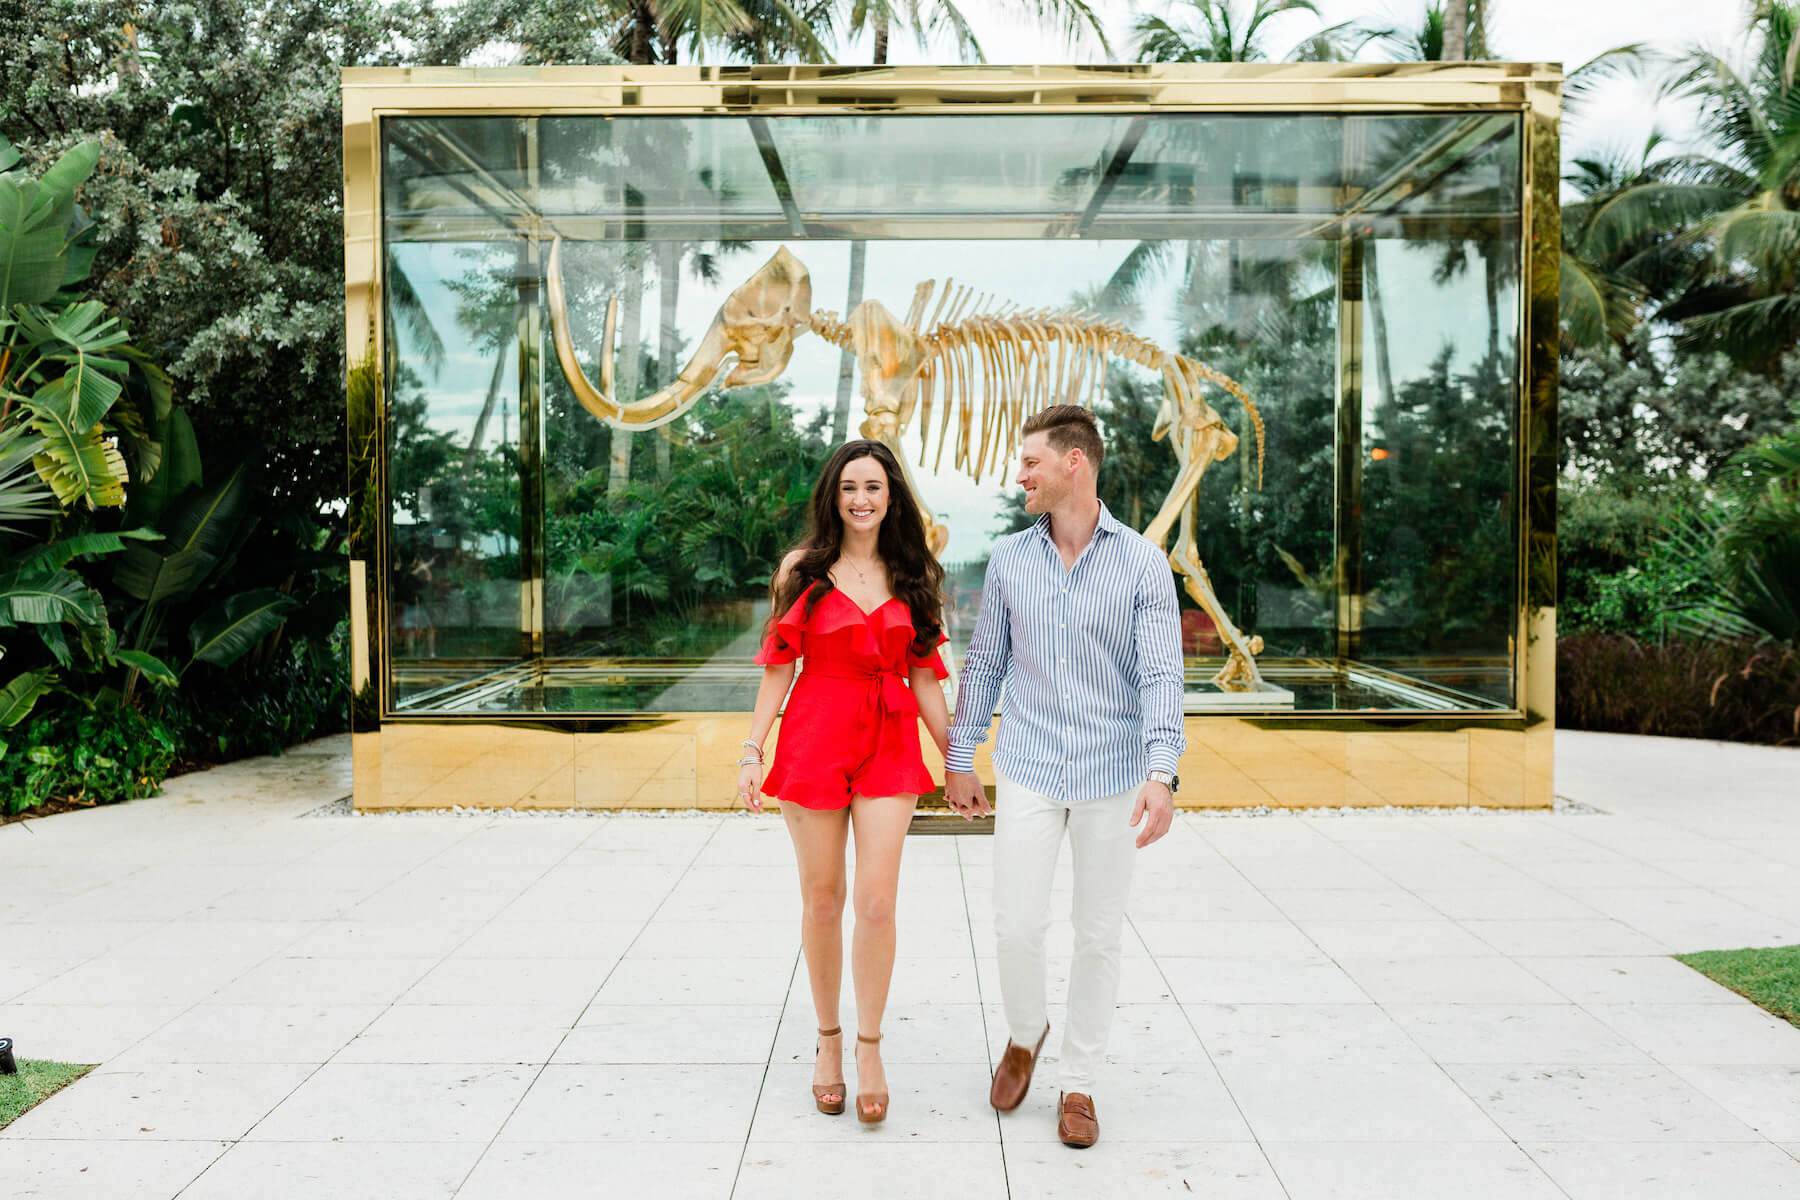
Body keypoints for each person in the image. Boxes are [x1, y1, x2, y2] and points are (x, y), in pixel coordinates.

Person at [942, 404, 1185, 1149]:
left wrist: (1161, 770)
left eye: (1030, 463)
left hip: (1113, 773)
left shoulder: (1142, 562)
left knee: (1099, 933)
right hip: (1031, 766)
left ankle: (1079, 1080)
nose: (1021, 475)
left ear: (1073, 463)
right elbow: (986, 663)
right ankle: (1025, 1033)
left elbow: (1160, 674)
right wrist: (960, 755)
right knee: (1017, 924)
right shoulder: (1012, 558)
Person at [737, 439, 952, 1125]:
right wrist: (751, 750)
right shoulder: (802, 569)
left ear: (893, 497)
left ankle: (869, 1047)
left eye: (874, 488)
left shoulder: (914, 571)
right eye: (849, 488)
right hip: (814, 735)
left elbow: (924, 675)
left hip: (888, 737)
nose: (862, 500)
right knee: (823, 900)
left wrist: (960, 761)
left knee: (879, 903)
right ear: (833, 496)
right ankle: (827, 1041)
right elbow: (779, 666)